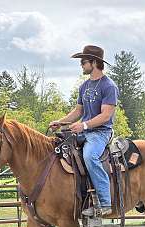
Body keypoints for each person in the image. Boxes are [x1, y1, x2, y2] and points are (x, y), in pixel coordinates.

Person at [50, 45, 119, 217]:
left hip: (101, 132)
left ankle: (104, 202)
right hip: (84, 132)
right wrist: (61, 122)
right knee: (59, 148)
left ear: (94, 63)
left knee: (89, 156)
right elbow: (78, 111)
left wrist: (84, 125)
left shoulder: (109, 86)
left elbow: (105, 116)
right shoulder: (84, 86)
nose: (81, 65)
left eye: (83, 62)